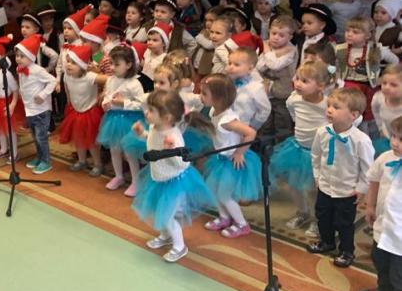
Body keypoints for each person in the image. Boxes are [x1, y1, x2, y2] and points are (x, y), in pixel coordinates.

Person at [132, 90, 215, 263]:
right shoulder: (155, 127)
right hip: (159, 179)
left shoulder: (173, 137)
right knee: (159, 211)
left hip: (175, 182)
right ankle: (166, 235)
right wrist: (141, 134)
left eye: (151, 110)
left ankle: (179, 246)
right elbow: (151, 142)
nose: (146, 112)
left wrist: (170, 151)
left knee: (169, 216)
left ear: (167, 117)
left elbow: (182, 163)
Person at [308, 88, 374, 268]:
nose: (329, 110)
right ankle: (327, 242)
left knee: (344, 223)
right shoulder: (322, 132)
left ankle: (347, 251)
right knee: (323, 217)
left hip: (347, 191)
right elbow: (316, 155)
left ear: (353, 115)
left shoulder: (361, 140)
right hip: (325, 186)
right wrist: (317, 176)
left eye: (336, 107)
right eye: (329, 105)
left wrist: (361, 189)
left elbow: (368, 168)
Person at [270, 61, 331, 231]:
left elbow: (346, 120)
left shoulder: (327, 104)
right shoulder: (294, 99)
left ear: (321, 86)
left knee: (314, 190)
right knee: (294, 185)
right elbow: (294, 115)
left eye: (304, 81)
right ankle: (302, 211)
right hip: (297, 149)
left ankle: (318, 220)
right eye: (297, 78)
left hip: (318, 153)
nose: (297, 83)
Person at [200, 74, 262, 239]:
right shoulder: (214, 111)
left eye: (204, 93)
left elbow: (250, 133)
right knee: (214, 190)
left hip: (231, 161)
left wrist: (239, 152)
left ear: (219, 98)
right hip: (220, 159)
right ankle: (224, 217)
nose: (200, 96)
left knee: (225, 195)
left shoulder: (227, 120)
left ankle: (242, 224)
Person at [360, 115, 402, 291]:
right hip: (383, 226)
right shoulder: (385, 158)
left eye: (401, 140)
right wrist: (370, 206)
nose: (395, 142)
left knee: (399, 274)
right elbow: (374, 181)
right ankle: (384, 289)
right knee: (379, 261)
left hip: (400, 236)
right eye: (394, 136)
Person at [98, 45, 146, 192]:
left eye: (117, 64)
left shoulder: (134, 83)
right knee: (114, 149)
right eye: (111, 63)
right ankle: (118, 176)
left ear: (129, 64)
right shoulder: (111, 80)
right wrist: (105, 103)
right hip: (112, 119)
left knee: (129, 152)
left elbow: (141, 104)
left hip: (129, 120)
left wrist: (123, 103)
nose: (112, 67)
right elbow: (107, 95)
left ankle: (136, 181)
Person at [60, 44, 108, 177]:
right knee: (79, 138)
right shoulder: (67, 76)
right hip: (75, 111)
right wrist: (69, 103)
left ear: (82, 65)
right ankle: (82, 161)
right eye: (68, 61)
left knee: (92, 142)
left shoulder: (89, 77)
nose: (68, 65)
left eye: (73, 62)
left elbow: (110, 79)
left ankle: (98, 164)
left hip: (90, 112)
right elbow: (67, 89)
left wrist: (104, 92)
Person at [15, 34, 57, 175]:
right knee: (35, 136)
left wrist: (43, 95)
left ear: (31, 57)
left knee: (41, 137)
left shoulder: (37, 70)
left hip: (41, 110)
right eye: (17, 55)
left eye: (22, 56)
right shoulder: (20, 69)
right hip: (30, 109)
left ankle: (46, 161)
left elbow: (53, 81)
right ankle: (39, 157)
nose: (18, 58)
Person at [257, 15, 298, 142]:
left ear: (290, 37)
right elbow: (259, 66)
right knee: (265, 122)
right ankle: (265, 146)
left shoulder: (291, 50)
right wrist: (269, 53)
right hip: (265, 91)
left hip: (282, 93)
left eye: (281, 35)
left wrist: (267, 51)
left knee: (282, 124)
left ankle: (281, 147)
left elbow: (275, 65)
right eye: (274, 33)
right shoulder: (265, 46)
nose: (276, 37)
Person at [371, 64, 402, 156]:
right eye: (384, 83)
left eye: (393, 85)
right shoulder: (378, 98)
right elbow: (376, 112)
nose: (387, 87)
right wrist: (380, 128)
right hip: (387, 137)